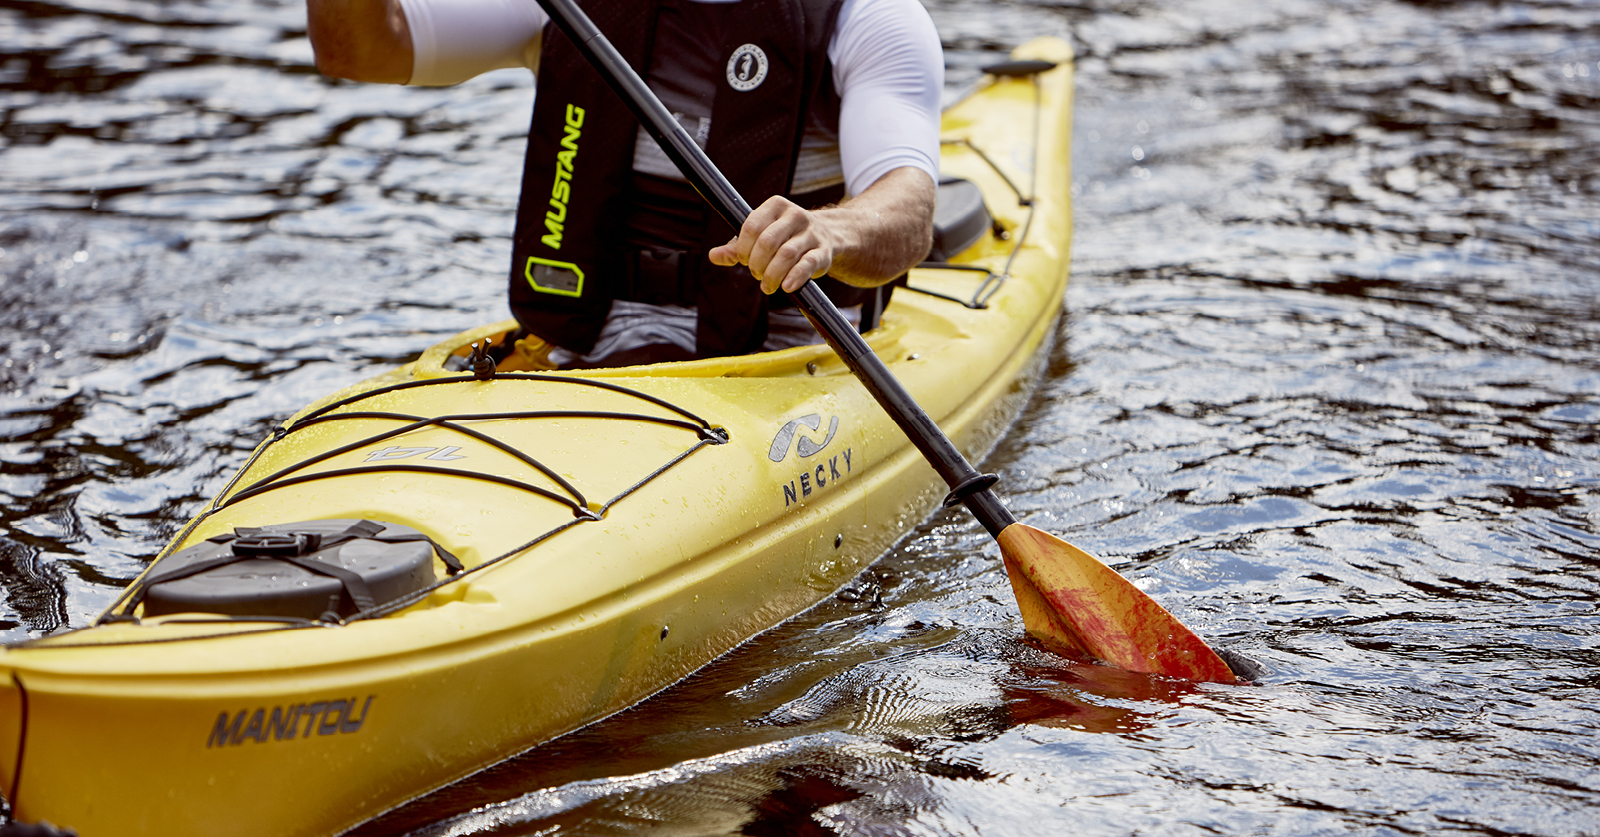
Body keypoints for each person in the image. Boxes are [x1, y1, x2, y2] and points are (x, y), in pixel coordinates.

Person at [306, 0, 941, 367]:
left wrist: (829, 230)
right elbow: (362, 51)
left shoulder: (869, 18)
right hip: (583, 347)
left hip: (776, 357)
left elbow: (908, 213)